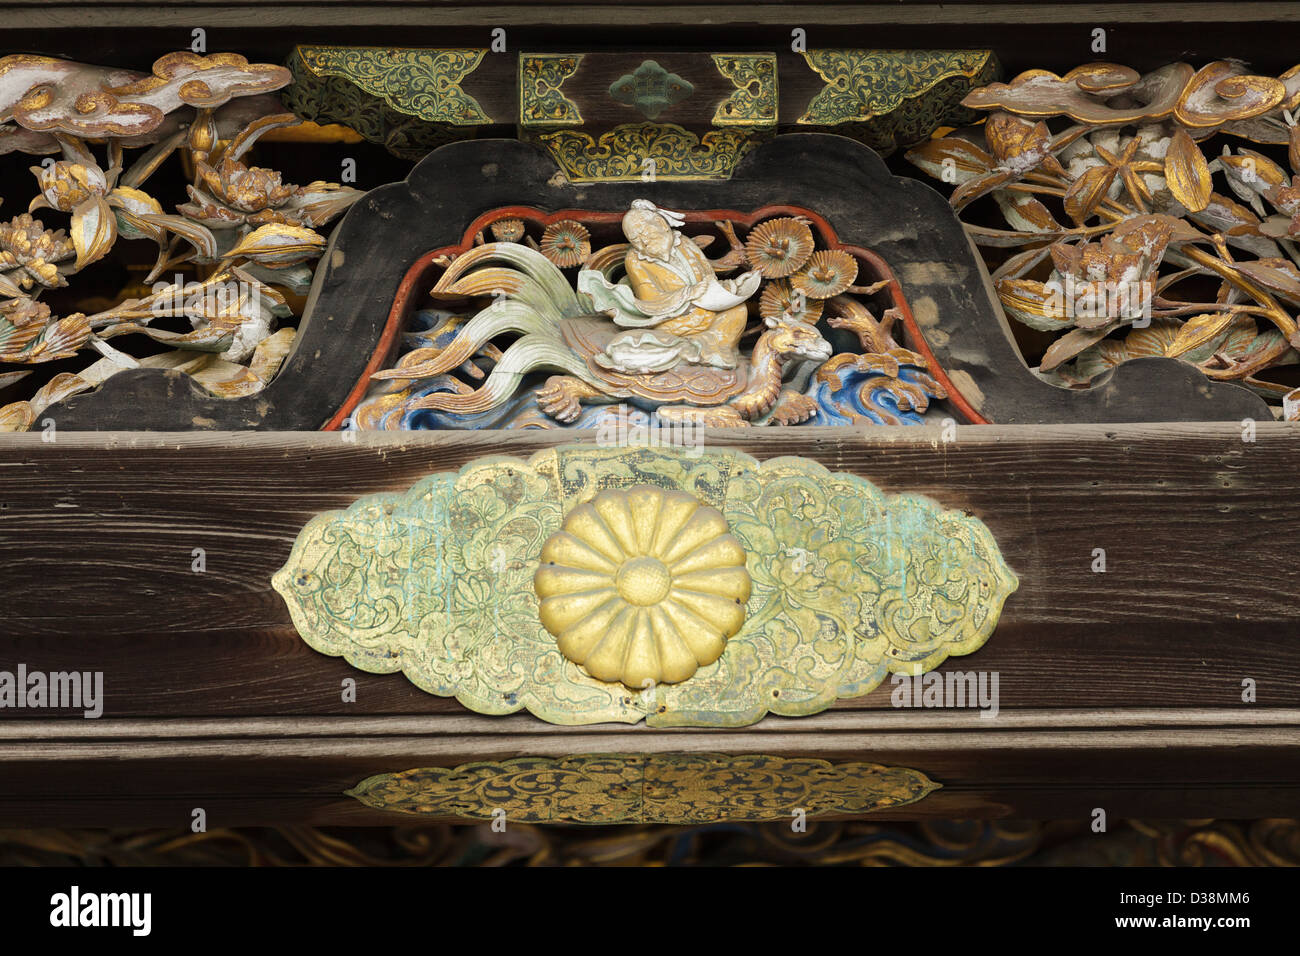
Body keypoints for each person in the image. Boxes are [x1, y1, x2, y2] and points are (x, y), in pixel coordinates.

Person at [578, 200, 761, 374]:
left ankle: (708, 348)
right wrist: (688, 294)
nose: (643, 242)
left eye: (645, 233)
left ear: (662, 224)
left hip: (707, 309)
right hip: (673, 318)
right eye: (635, 239)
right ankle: (696, 349)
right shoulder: (635, 260)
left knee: (737, 310)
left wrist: (732, 286)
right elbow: (650, 300)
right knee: (658, 333)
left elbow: (708, 278)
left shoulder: (686, 244)